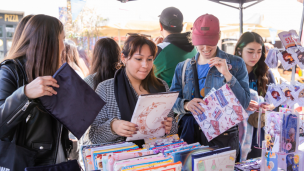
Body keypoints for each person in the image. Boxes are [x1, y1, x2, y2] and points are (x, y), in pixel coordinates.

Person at [170, 14, 250, 157]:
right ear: (193, 39)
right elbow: (170, 103)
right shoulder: (183, 67)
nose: (206, 48)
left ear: (219, 36)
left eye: (210, 42)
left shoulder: (236, 64)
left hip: (223, 138)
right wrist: (186, 104)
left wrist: (228, 75)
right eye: (201, 42)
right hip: (190, 137)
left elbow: (243, 103)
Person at [0, 15, 71, 166]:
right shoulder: (10, 71)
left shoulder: (53, 72)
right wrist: (24, 94)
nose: (64, 46)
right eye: (62, 39)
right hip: (26, 163)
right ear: (48, 41)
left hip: (57, 161)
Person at [89, 35, 178, 147]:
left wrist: (169, 126)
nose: (145, 65)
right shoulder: (105, 88)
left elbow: (173, 127)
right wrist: (113, 127)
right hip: (123, 160)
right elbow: (94, 136)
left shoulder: (161, 86)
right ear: (124, 58)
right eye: (139, 59)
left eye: (149, 59)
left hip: (157, 157)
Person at [234, 32, 276, 160]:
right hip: (235, 130)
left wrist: (267, 106)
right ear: (239, 51)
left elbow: (275, 101)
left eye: (259, 51)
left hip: (258, 130)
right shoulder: (229, 71)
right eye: (250, 51)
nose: (255, 56)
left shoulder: (265, 72)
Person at [153, 7, 197, 87]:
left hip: (168, 98)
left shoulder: (160, 50)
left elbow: (144, 74)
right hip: (190, 96)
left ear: (161, 26)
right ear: (182, 26)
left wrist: (153, 49)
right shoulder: (194, 47)